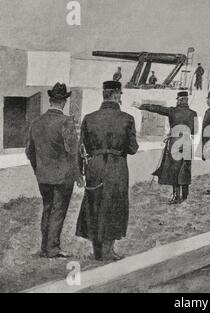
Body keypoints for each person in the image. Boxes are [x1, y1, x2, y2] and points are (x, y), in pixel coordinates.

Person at [76, 81, 139, 261]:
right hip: (116, 166)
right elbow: (133, 148)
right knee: (114, 206)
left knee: (94, 203)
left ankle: (98, 251)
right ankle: (108, 250)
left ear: (104, 94)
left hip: (94, 165)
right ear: (117, 95)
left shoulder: (89, 118)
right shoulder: (127, 119)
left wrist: (80, 171)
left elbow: (81, 147)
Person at [26, 82, 83, 258]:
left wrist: (38, 169)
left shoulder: (36, 122)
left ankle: (45, 247)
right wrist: (78, 175)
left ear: (50, 101)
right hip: (62, 177)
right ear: (64, 102)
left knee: (47, 208)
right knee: (58, 211)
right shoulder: (66, 122)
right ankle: (53, 248)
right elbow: (73, 152)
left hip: (43, 177)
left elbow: (29, 151)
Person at [134, 91, 197, 204]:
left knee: (175, 169)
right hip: (187, 142)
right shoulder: (193, 113)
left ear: (179, 100)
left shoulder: (172, 111)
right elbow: (195, 131)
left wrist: (141, 106)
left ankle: (176, 196)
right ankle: (185, 195)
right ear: (186, 100)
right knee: (185, 168)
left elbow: (157, 108)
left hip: (175, 142)